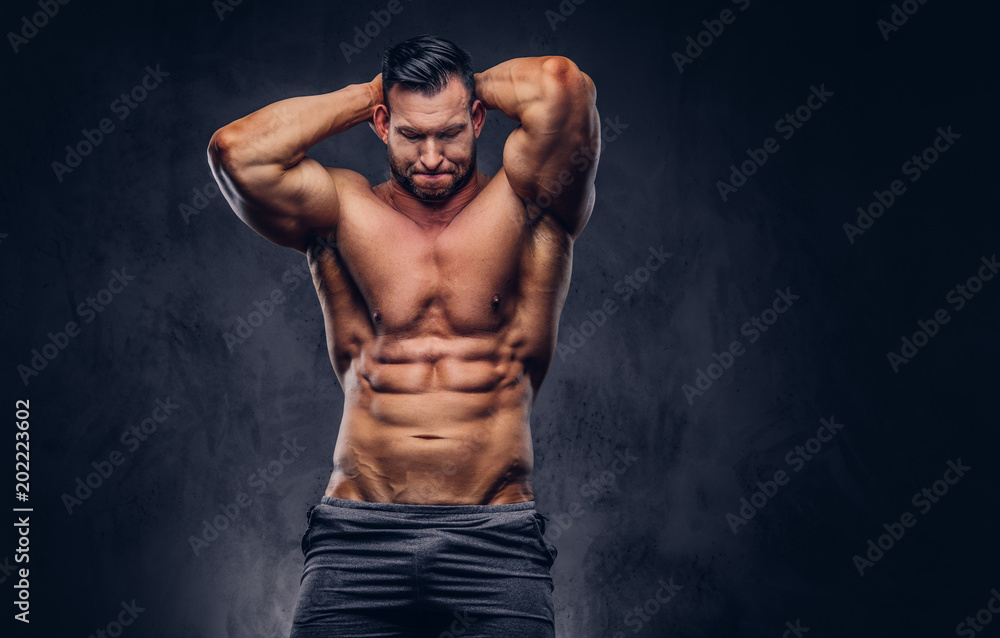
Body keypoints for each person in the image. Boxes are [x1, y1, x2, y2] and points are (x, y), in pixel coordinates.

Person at [208, 34, 599, 638]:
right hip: (357, 537)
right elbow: (237, 152)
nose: (433, 156)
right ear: (382, 123)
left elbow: (562, 86)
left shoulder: (529, 203)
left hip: (494, 541)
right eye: (412, 135)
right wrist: (367, 91)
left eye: (450, 132)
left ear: (476, 118)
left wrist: (471, 85)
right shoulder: (341, 208)